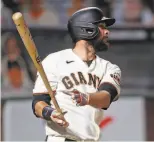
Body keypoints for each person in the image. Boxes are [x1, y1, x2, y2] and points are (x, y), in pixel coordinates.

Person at [32, 7, 121, 141]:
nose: (107, 31)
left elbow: (106, 98)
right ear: (87, 29)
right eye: (102, 26)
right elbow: (38, 103)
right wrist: (49, 113)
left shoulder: (109, 68)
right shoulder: (54, 61)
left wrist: (87, 98)